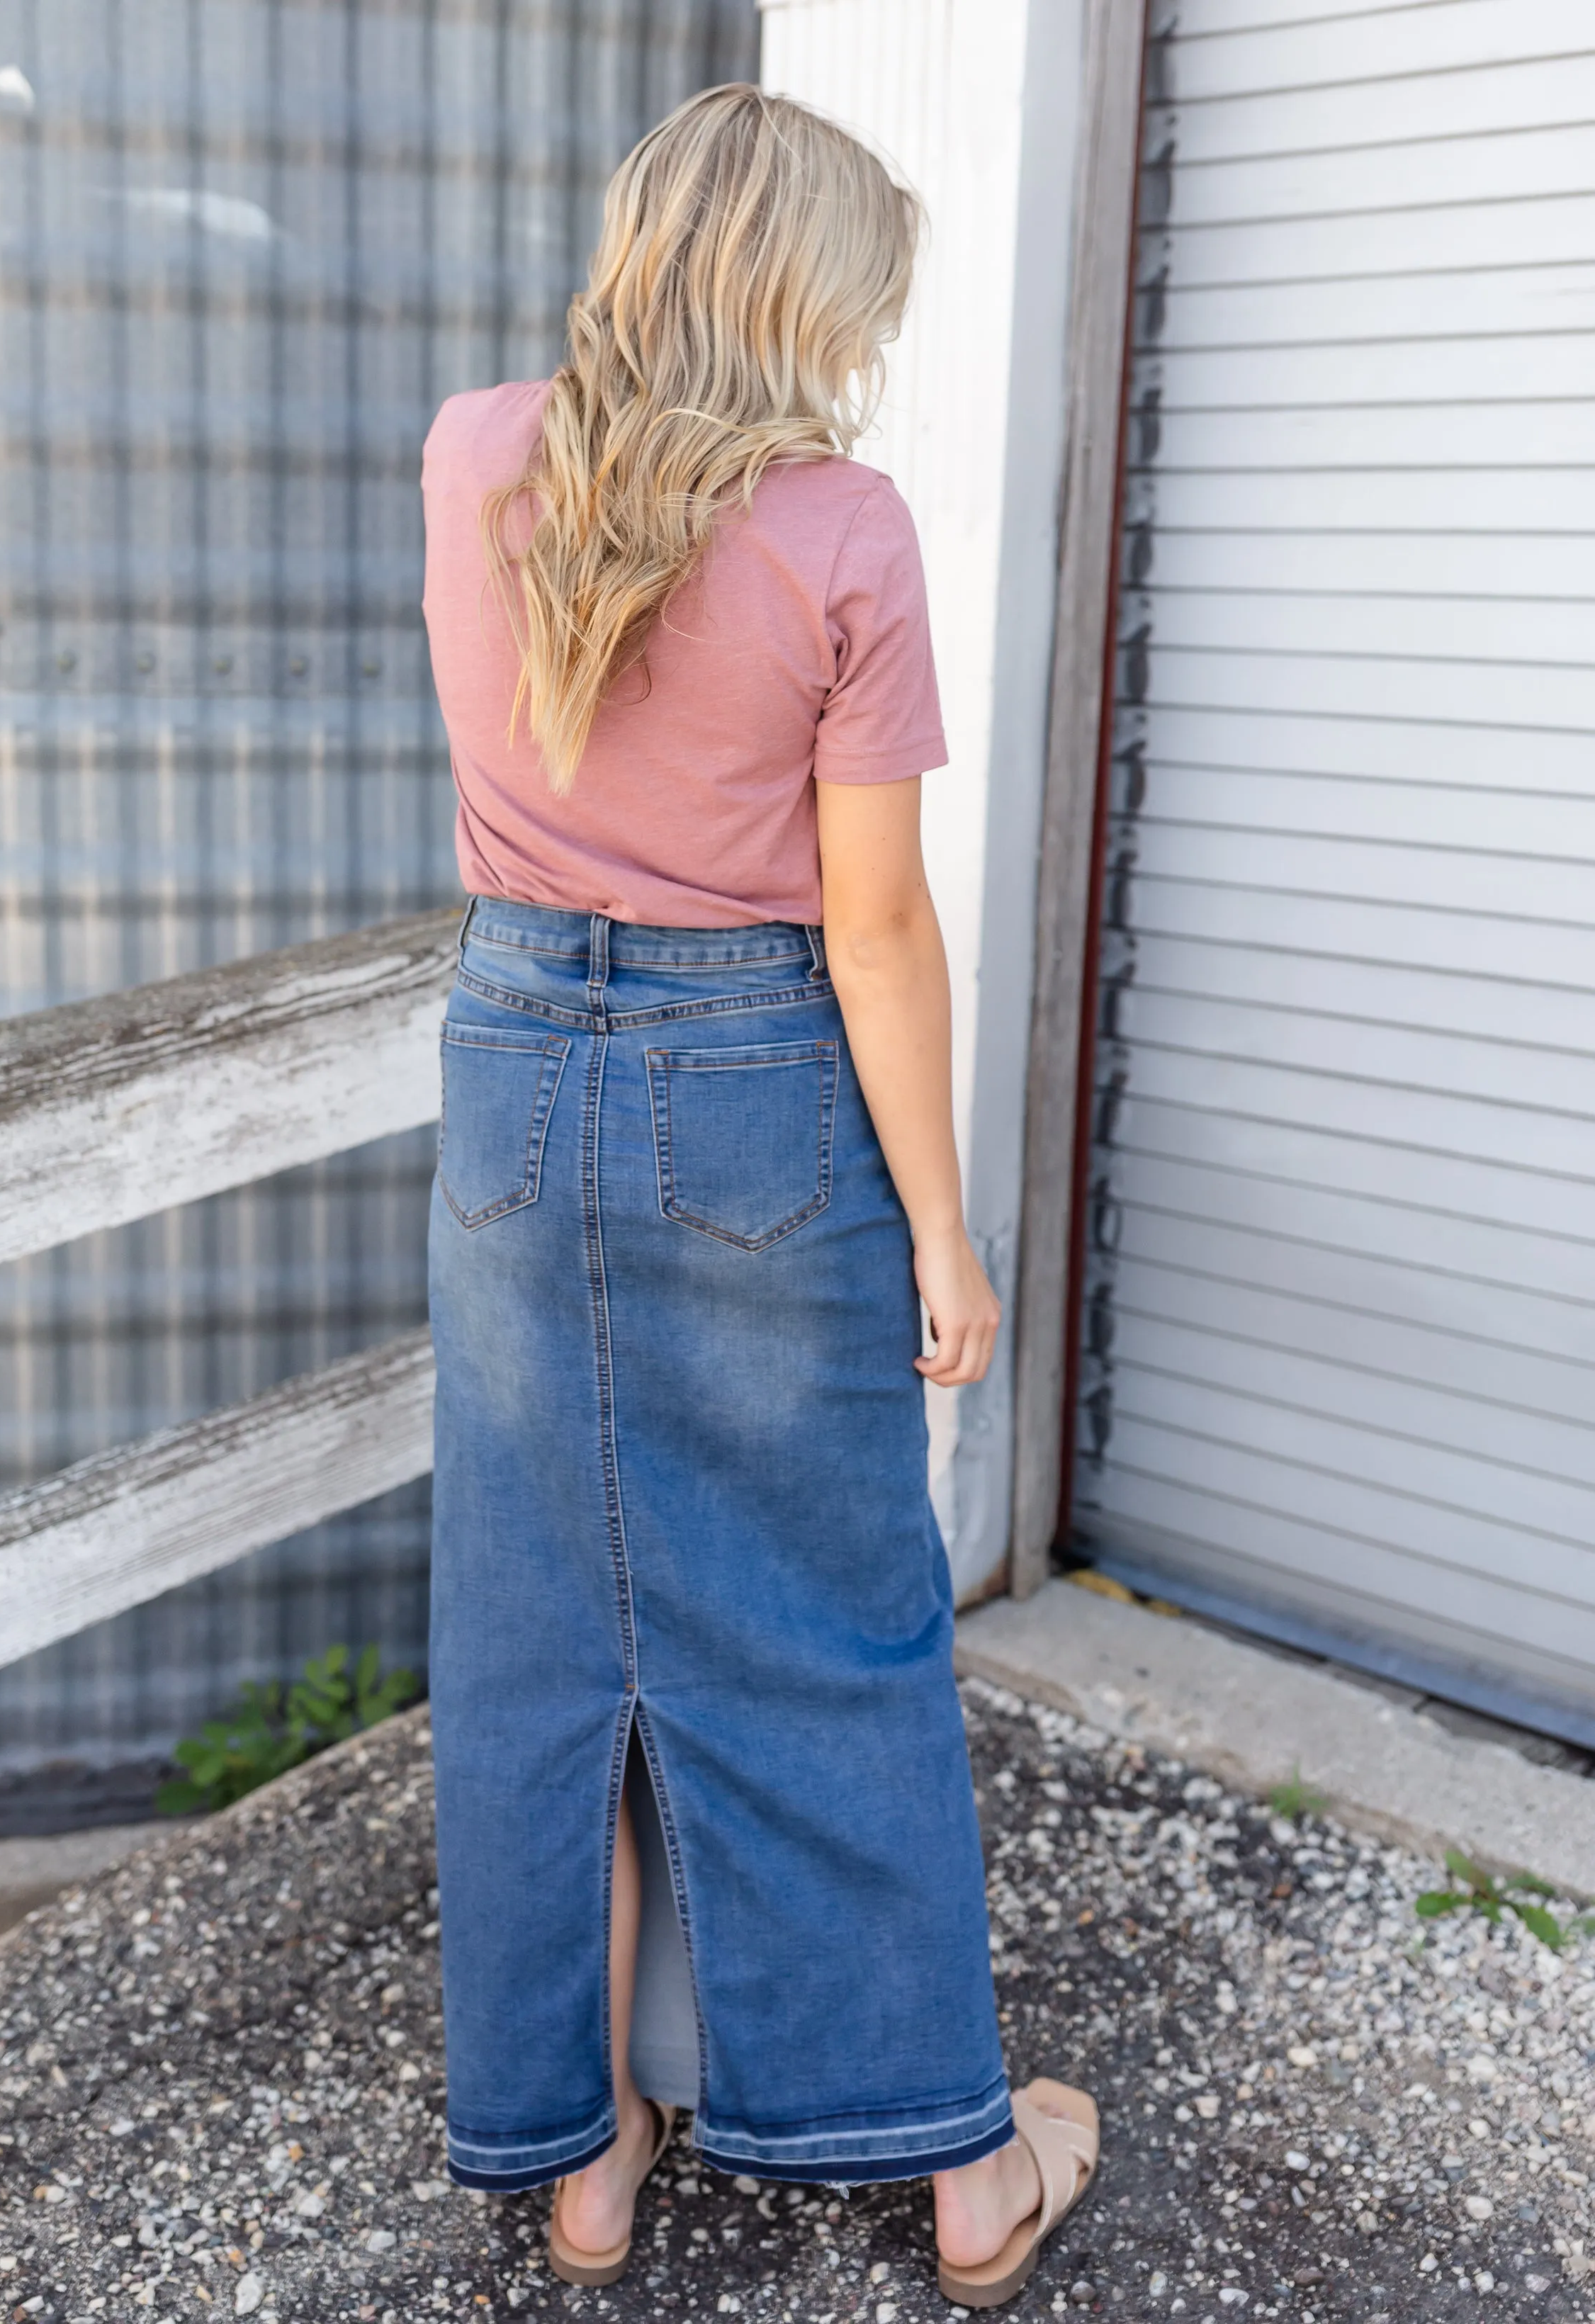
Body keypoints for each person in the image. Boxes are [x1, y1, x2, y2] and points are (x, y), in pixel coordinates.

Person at [420, 81, 1098, 2311]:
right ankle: (963, 2172)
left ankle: (588, 2149)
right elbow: (873, 931)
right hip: (747, 1093)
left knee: (556, 1627)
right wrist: (939, 1222)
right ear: (807, 293)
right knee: (827, 1626)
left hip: (518, 1064)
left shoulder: (471, 452)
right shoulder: (842, 529)